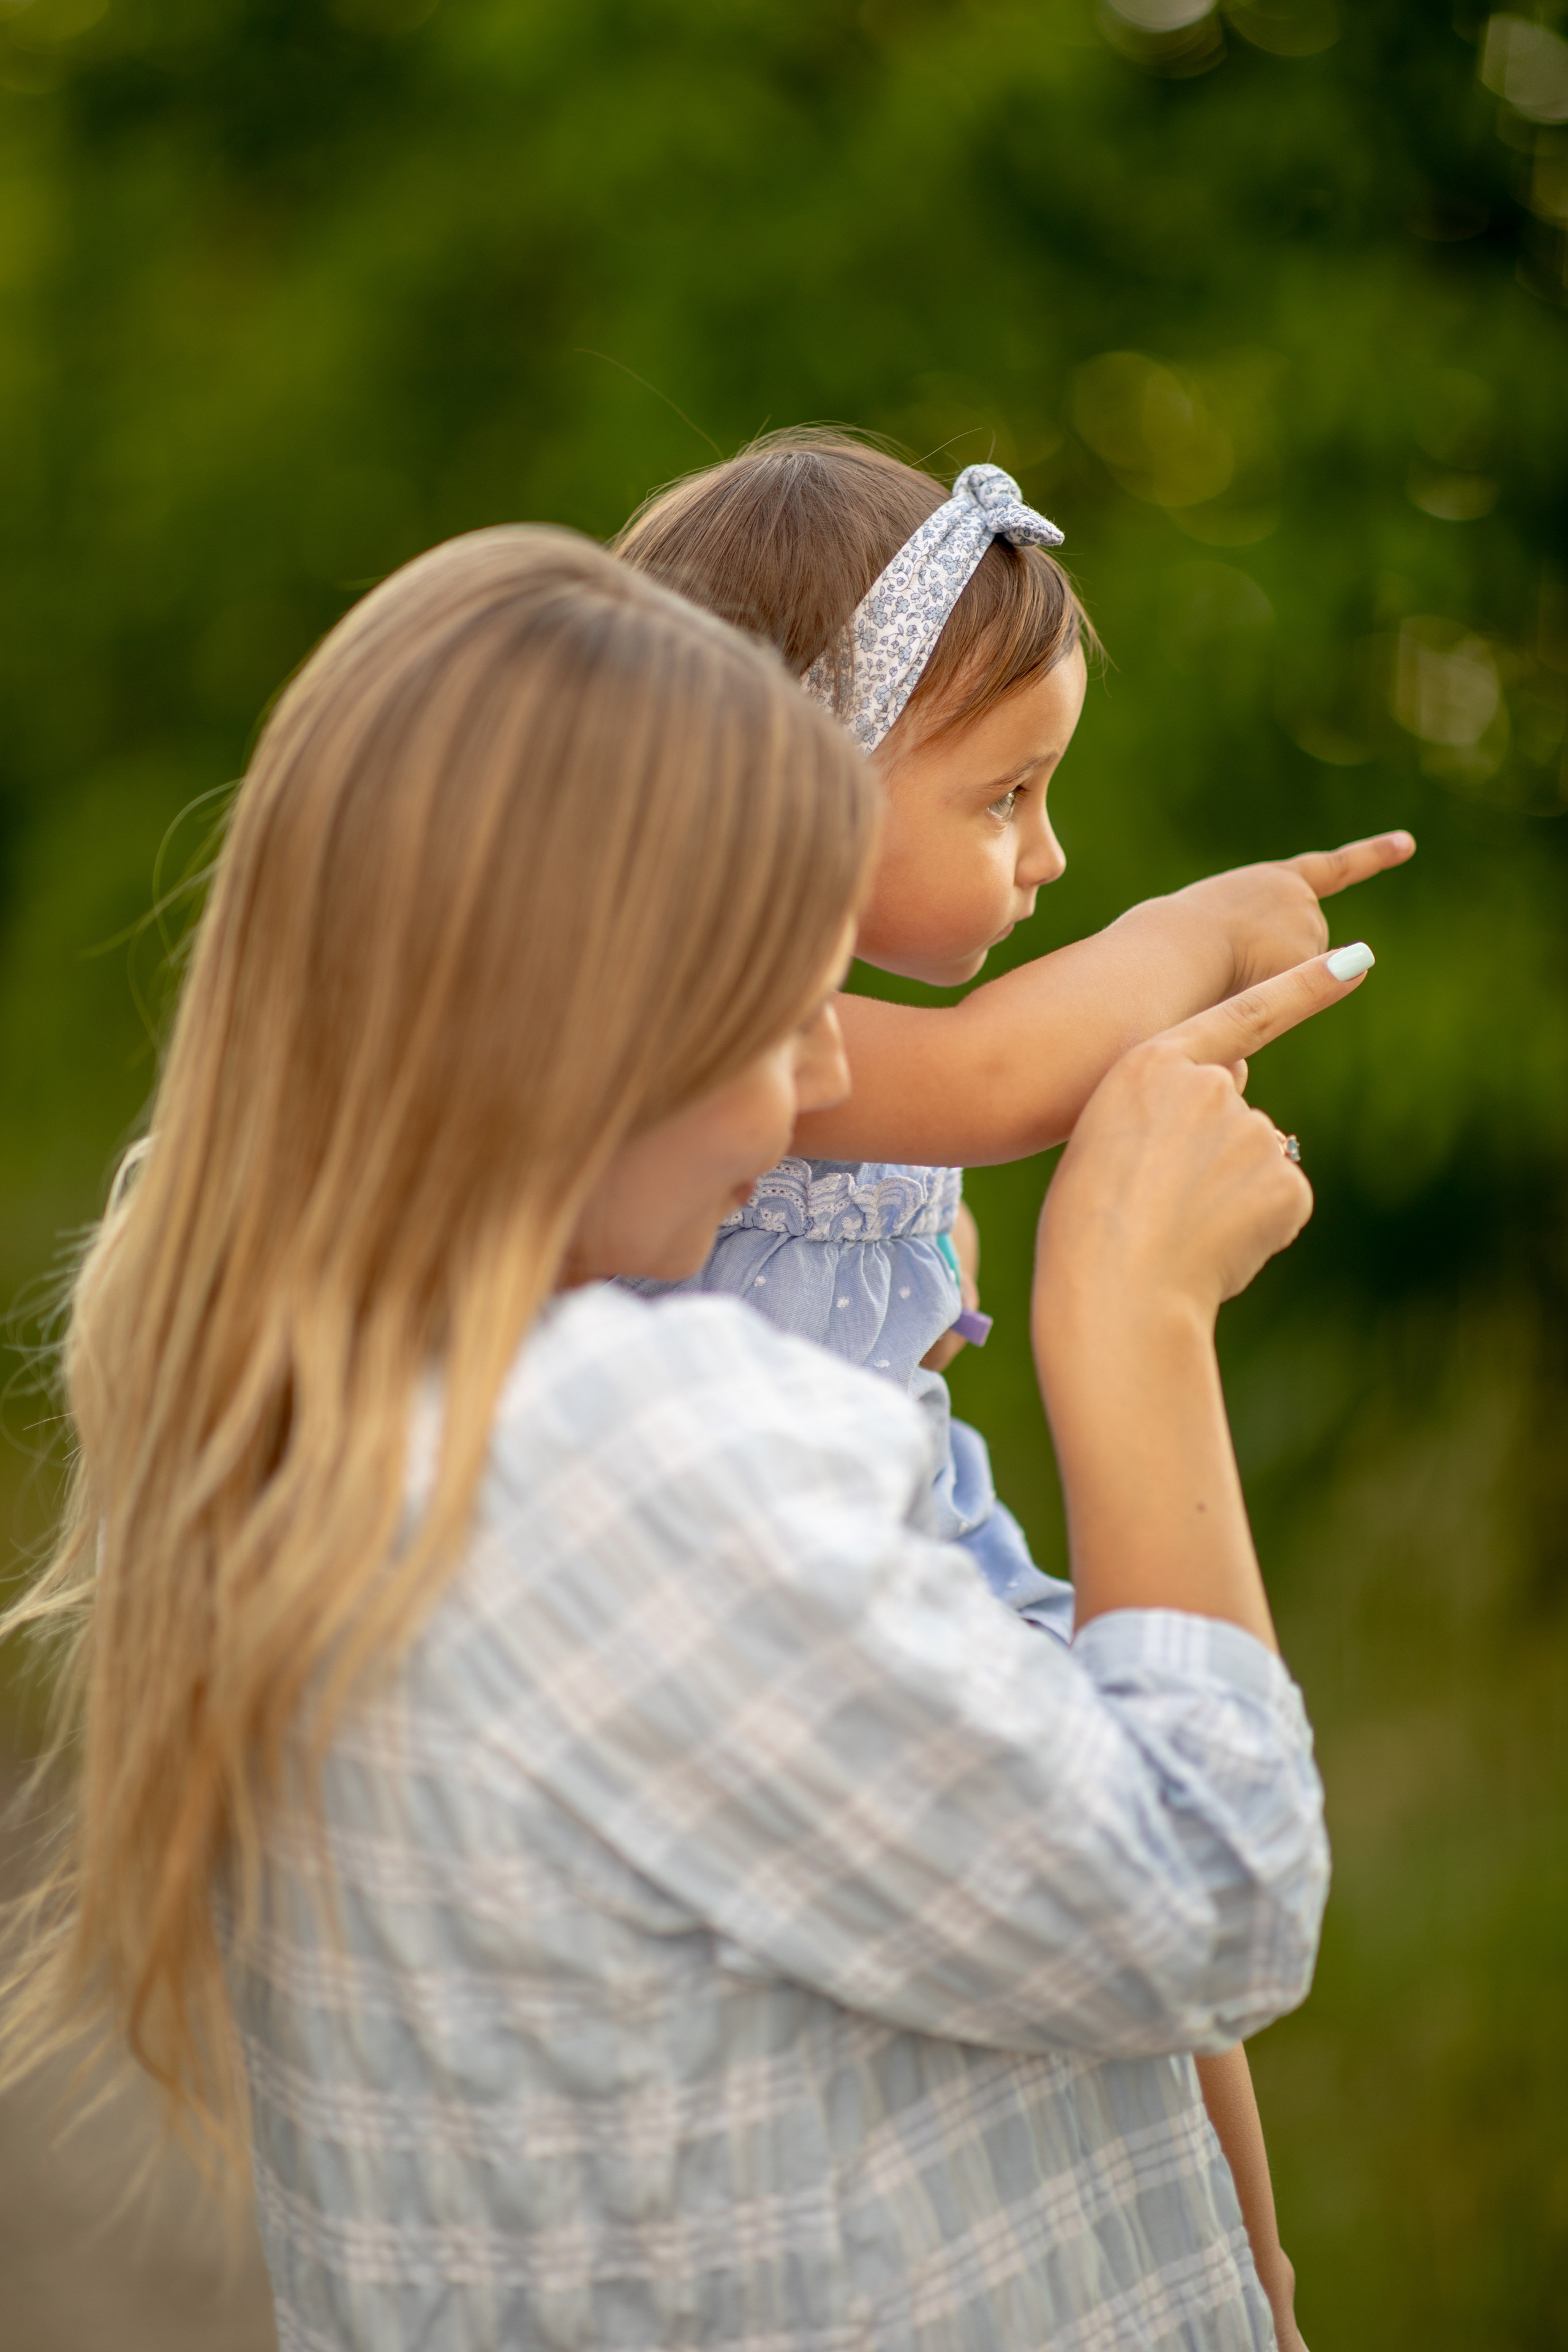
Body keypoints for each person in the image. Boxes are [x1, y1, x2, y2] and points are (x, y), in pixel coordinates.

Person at [3, 526, 1355, 2351]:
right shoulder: (625, 1457)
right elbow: (1216, 1900)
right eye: (779, 1005)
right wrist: (1134, 1316)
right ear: (586, 1017)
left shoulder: (298, 1397)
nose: (821, 1084)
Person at [616, 430, 1408, 2337]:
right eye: (1008, 799)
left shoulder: (807, 1043)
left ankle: (1246, 2255)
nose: (1049, 857)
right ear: (790, 792)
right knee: (1157, 1845)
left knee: (1173, 1931)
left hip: (905, 1507)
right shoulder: (731, 1019)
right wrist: (1196, 935)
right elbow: (993, 1078)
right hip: (836, 1570)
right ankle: (1246, 2257)